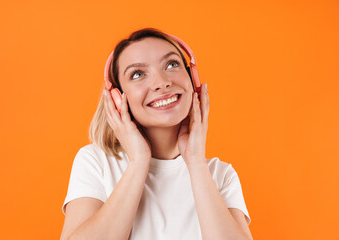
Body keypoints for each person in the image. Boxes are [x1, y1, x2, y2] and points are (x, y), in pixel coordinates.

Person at [60, 28, 253, 240]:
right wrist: (139, 162)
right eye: (138, 74)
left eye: (172, 64)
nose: (162, 82)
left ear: (193, 80)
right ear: (117, 98)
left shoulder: (220, 175)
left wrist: (196, 162)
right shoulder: (96, 162)